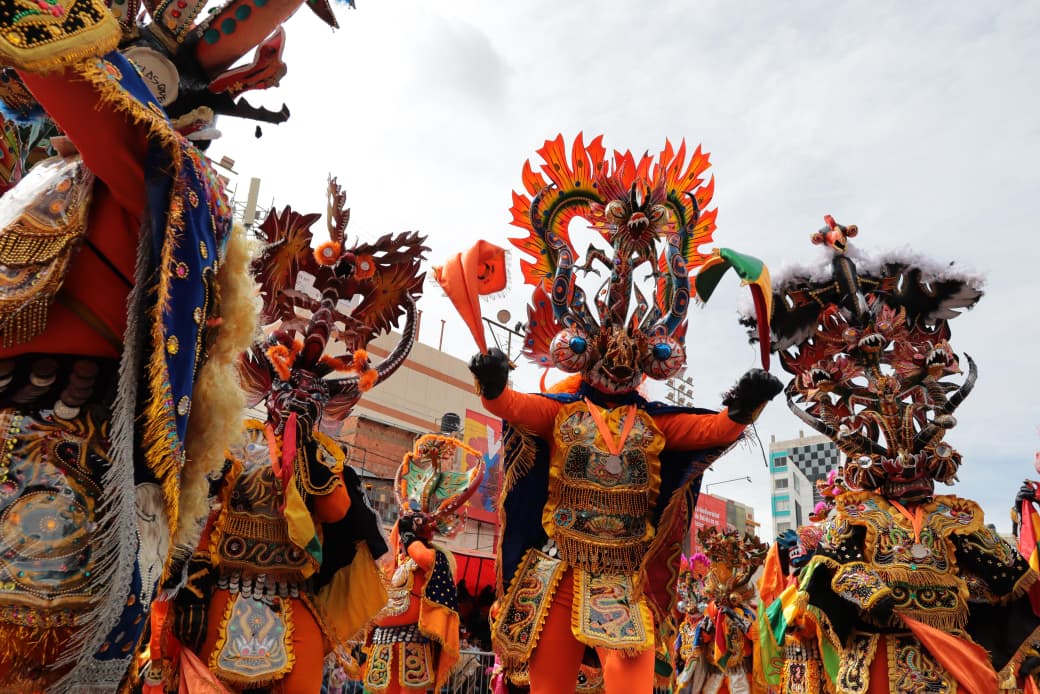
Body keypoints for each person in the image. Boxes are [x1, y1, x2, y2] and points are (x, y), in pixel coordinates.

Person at [465, 134, 783, 694]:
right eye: (605, 350)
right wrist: (493, 385)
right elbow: (514, 409)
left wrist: (742, 406)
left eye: (633, 352)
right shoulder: (563, 413)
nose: (616, 358)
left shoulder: (655, 424)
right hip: (558, 568)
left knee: (633, 680)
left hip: (620, 582)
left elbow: (709, 431)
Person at [147, 180, 427, 692]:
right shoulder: (235, 437)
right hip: (220, 598)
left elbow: (342, 520)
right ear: (270, 385)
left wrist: (310, 456)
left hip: (294, 607)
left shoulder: (325, 456)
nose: (297, 400)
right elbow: (197, 513)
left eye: (312, 396)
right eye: (289, 388)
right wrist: (180, 586)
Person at [751, 217, 1040, 692]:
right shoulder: (858, 511)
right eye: (894, 458)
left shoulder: (956, 516)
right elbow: (827, 566)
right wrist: (870, 590)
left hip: (947, 661)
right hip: (876, 661)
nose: (907, 465)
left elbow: (1011, 578)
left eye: (920, 454)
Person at [363, 434, 486, 694]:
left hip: (413, 643)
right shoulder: (395, 557)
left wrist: (410, 539)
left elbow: (422, 557)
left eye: (417, 521)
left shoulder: (436, 556)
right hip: (383, 644)